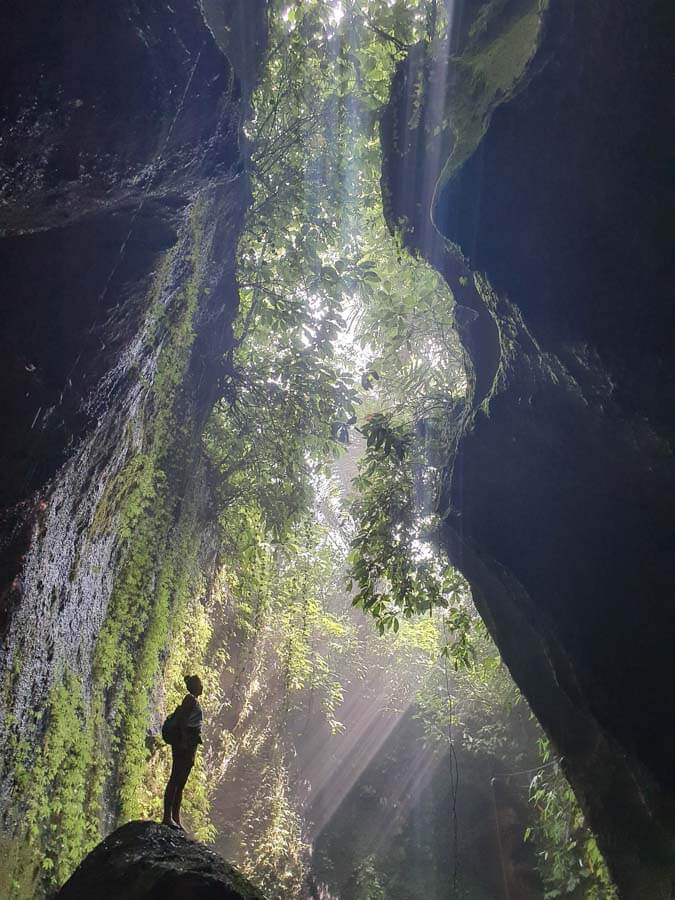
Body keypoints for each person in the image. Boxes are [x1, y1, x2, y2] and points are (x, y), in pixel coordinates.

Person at [162, 674, 203, 830]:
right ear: (194, 686)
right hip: (183, 746)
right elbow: (182, 722)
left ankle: (175, 817)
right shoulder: (190, 700)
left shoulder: (193, 700)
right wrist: (184, 743)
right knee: (175, 779)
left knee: (181, 782)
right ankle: (167, 817)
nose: (202, 687)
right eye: (200, 684)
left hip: (189, 745)